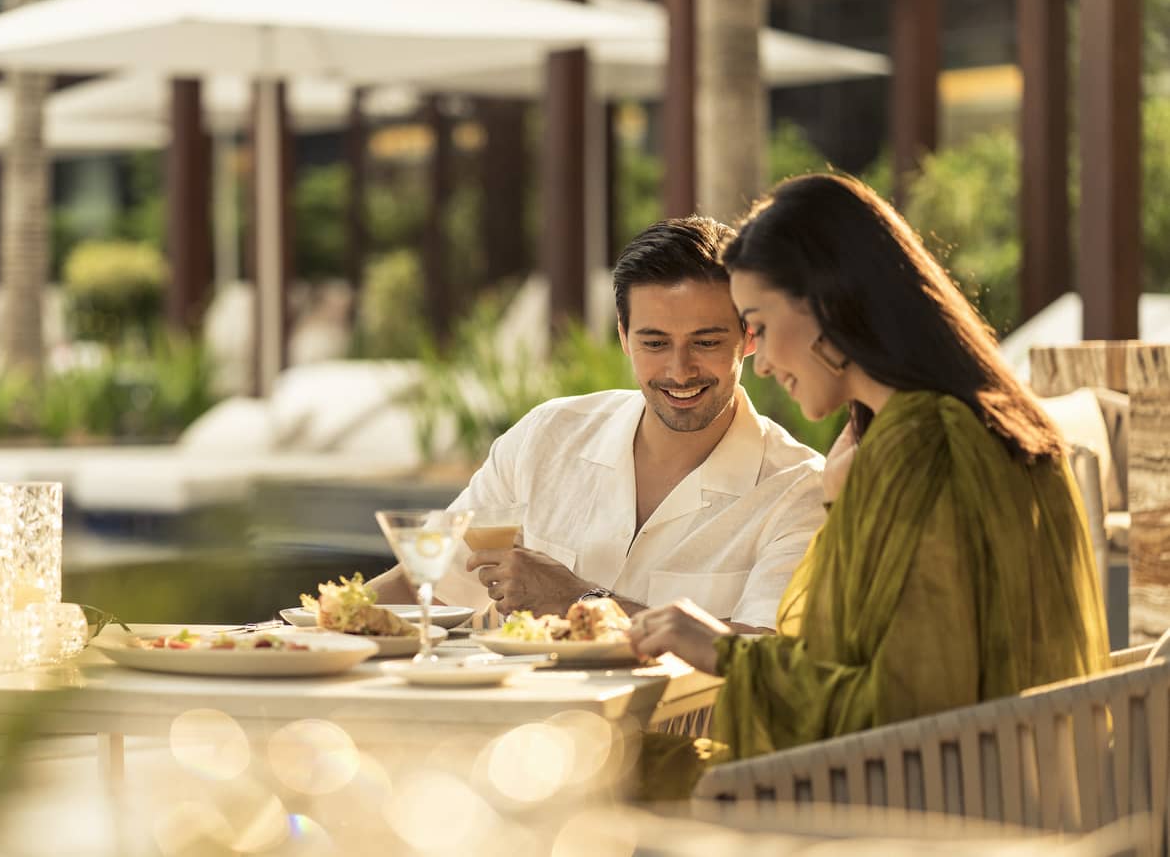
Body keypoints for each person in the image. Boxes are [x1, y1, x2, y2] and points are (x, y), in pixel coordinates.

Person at [627, 174, 1108, 790]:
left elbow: (909, 705)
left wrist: (722, 650)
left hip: (916, 806)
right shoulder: (951, 424)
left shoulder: (927, 445)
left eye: (760, 327)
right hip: (981, 781)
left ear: (831, 306)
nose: (764, 362)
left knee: (596, 773)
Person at [370, 217, 826, 631]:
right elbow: (423, 585)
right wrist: (307, 632)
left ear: (748, 337)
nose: (680, 369)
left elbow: (768, 661)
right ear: (624, 337)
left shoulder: (798, 490)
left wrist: (579, 599)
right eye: (655, 342)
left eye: (705, 342)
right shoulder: (547, 436)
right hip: (519, 718)